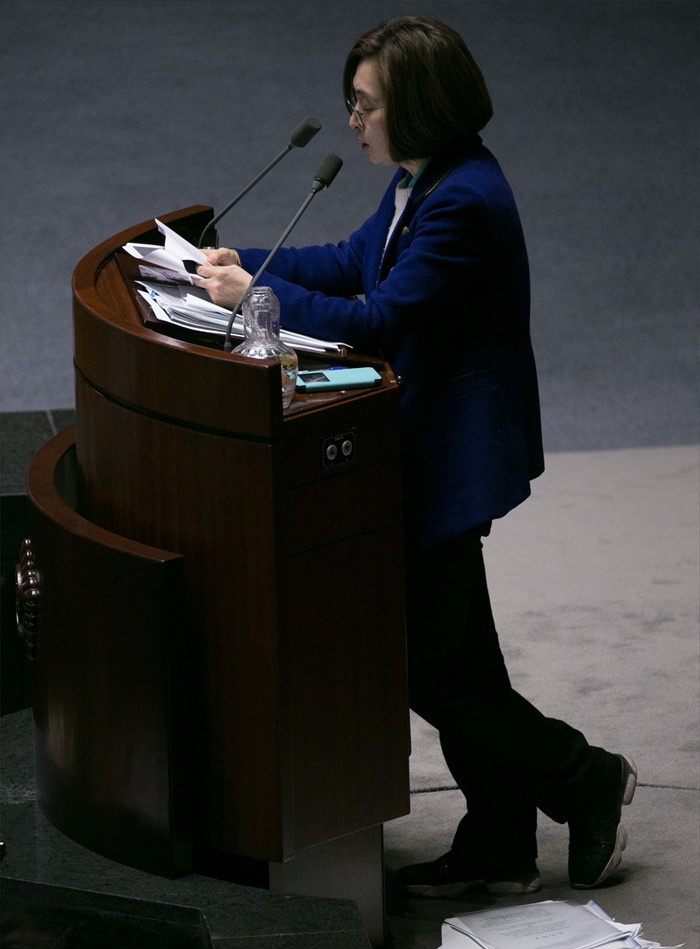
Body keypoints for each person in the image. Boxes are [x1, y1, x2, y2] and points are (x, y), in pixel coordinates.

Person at [195, 15, 637, 895]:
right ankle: (501, 838)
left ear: (421, 105)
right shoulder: (423, 177)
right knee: (461, 662)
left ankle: (586, 777)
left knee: (430, 668)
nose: (353, 120)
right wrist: (250, 262)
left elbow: (381, 319)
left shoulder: (465, 199)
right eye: (351, 103)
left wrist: (257, 296)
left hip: (446, 456)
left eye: (366, 105)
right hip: (419, 443)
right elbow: (353, 261)